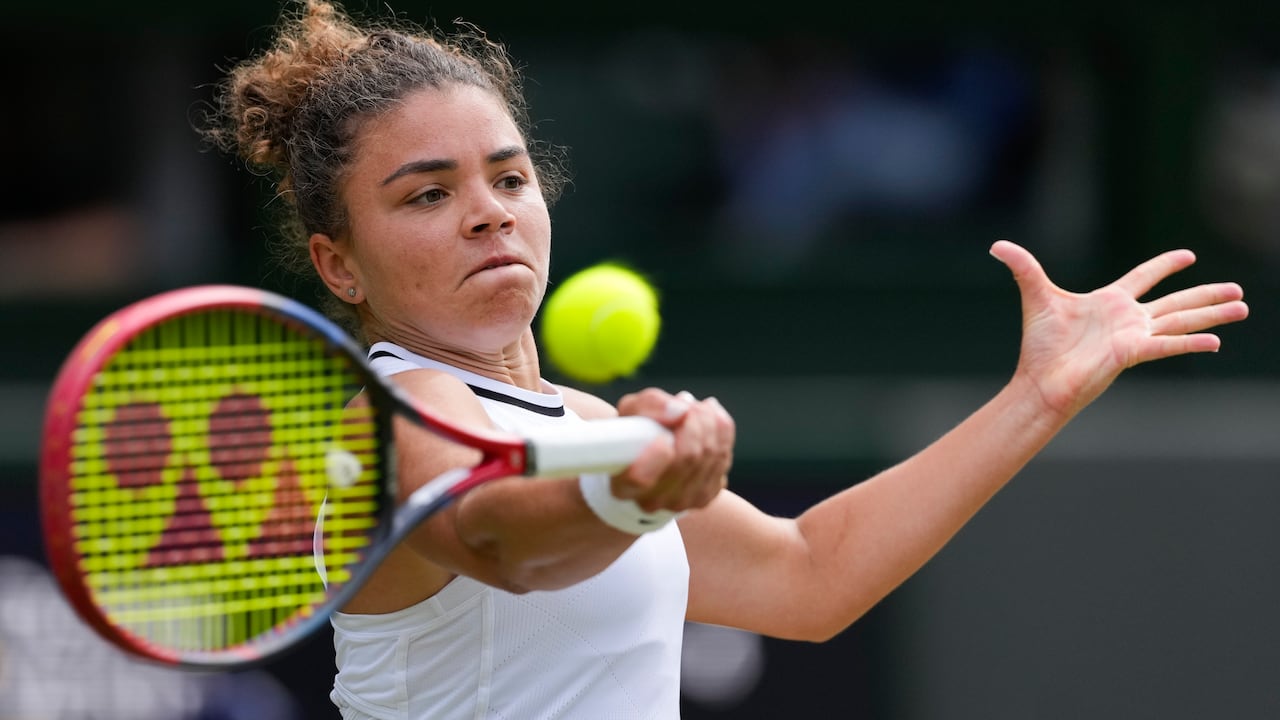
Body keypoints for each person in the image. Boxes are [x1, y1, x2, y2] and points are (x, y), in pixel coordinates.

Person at [201, 2, 1249, 718]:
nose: (487, 216)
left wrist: (1037, 395)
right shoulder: (384, 418)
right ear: (338, 264)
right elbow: (495, 540)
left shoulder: (571, 423)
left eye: (509, 180)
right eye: (427, 195)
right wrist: (629, 496)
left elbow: (810, 578)